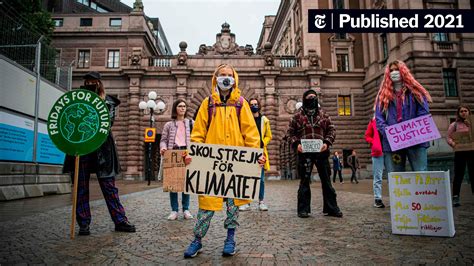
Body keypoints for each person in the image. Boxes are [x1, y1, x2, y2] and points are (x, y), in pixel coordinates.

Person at [183, 64, 264, 258]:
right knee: (206, 207)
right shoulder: (207, 103)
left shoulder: (241, 104)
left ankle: (230, 239)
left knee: (233, 206)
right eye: (222, 75)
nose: (226, 78)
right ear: (215, 78)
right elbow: (198, 134)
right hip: (211, 164)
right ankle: (197, 240)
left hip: (236, 165)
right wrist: (192, 153)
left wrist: (255, 155)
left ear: (235, 78)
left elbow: (251, 134)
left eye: (229, 75)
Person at [63, 71, 135, 235]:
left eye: (93, 81)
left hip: (103, 149)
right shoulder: (77, 100)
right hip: (82, 148)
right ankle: (83, 223)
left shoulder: (108, 102)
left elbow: (108, 122)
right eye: (87, 81)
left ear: (99, 83)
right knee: (81, 187)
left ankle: (120, 220)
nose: (90, 84)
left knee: (109, 187)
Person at [288, 89, 342, 218]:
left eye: (314, 97)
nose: (312, 98)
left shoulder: (324, 115)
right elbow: (290, 133)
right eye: (309, 97)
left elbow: (331, 130)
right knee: (304, 181)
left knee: (326, 181)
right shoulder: (296, 117)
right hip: (304, 153)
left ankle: (331, 208)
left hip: (321, 152)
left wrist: (327, 143)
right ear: (304, 99)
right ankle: (303, 209)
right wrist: (297, 144)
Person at [375, 60, 432, 173]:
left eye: (397, 70)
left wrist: (412, 130)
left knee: (421, 173)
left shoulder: (415, 92)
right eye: (391, 70)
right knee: (395, 178)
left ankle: (420, 192)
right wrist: (388, 133)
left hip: (416, 140)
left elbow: (424, 113)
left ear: (403, 71)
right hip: (393, 142)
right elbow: (379, 118)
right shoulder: (382, 96)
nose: (394, 72)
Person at [160, 99, 194, 220]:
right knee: (172, 184)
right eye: (180, 106)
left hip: (186, 153)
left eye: (184, 106)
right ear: (175, 108)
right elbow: (163, 139)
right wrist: (163, 148)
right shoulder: (168, 125)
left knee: (186, 183)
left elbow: (196, 139)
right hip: (173, 153)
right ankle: (174, 210)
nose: (182, 108)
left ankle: (186, 209)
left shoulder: (191, 123)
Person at [239, 97, 272, 211]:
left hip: (260, 152)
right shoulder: (246, 120)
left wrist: (264, 142)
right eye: (251, 104)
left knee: (261, 179)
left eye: (255, 104)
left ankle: (261, 201)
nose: (254, 106)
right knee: (247, 178)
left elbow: (269, 135)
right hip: (248, 152)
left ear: (259, 105)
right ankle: (246, 202)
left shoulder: (264, 120)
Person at [447, 105, 474, 207]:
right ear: (458, 113)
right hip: (460, 152)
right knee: (459, 174)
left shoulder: (472, 123)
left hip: (472, 151)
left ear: (469, 112)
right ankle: (456, 196)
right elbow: (448, 137)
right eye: (461, 111)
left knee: (473, 174)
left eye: (465, 111)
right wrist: (452, 143)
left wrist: (470, 125)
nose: (463, 113)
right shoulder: (454, 125)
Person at [365, 116, 385, 208]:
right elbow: (367, 135)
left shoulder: (392, 116)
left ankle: (396, 197)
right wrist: (374, 142)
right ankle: (378, 199)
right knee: (378, 176)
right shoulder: (373, 121)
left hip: (391, 151)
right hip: (378, 152)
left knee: (393, 175)